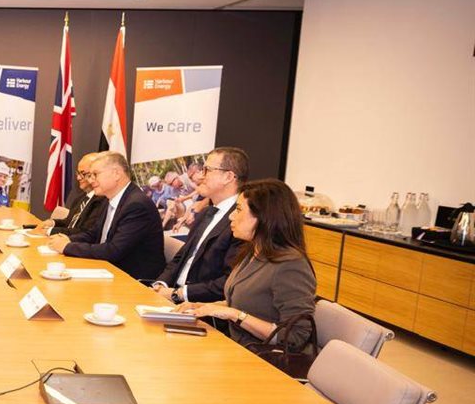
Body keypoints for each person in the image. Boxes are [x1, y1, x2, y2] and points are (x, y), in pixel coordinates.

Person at [176, 179, 317, 351]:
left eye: (238, 209)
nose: (231, 216)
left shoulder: (291, 265)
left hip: (260, 358)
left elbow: (295, 337)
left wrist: (236, 315)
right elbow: (241, 303)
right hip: (235, 347)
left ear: (263, 217)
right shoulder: (252, 251)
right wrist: (202, 307)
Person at [46, 152, 164, 280]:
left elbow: (114, 250)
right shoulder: (110, 199)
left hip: (132, 280)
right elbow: (93, 234)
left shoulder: (137, 205)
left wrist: (67, 247)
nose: (90, 180)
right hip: (108, 269)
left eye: (95, 174)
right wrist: (68, 239)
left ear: (116, 174)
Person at [152, 147, 249, 304]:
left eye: (207, 170)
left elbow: (229, 281)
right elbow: (181, 257)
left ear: (228, 177)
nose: (200, 176)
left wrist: (179, 294)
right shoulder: (206, 213)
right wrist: (160, 284)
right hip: (171, 296)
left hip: (201, 306)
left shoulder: (243, 221)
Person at [41, 152, 107, 236]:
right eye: (78, 173)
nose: (78, 178)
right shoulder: (80, 198)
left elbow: (85, 232)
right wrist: (52, 222)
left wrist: (49, 231)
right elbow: (69, 223)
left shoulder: (101, 201)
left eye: (83, 174)